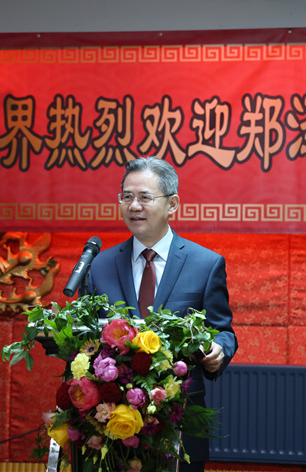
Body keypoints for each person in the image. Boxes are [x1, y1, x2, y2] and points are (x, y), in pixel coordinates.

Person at [82, 156, 238, 472]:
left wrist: (220, 349)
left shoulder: (205, 264)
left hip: (178, 420)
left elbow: (222, 330)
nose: (133, 206)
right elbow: (85, 337)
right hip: (112, 425)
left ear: (172, 204)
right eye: (127, 196)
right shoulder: (99, 265)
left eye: (144, 197)